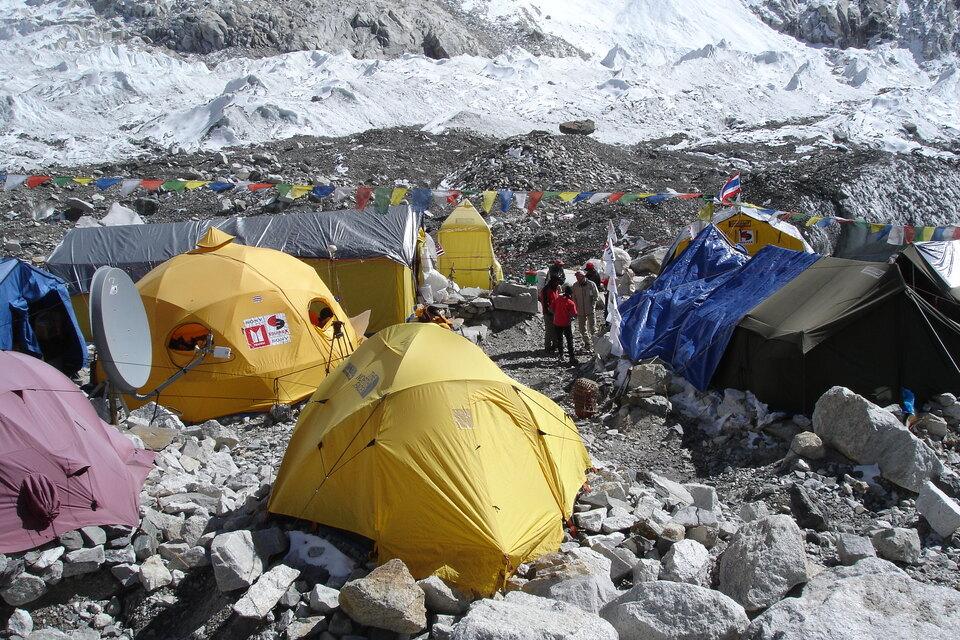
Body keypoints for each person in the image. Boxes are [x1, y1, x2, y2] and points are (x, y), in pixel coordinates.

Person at [571, 271, 599, 351]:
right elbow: (574, 298)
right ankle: (587, 343)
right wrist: (575, 308)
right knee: (582, 328)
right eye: (576, 277)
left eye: (579, 277)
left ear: (583, 276)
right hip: (580, 310)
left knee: (593, 328)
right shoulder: (575, 286)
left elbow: (596, 296)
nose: (577, 278)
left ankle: (596, 345)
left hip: (590, 309)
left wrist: (593, 306)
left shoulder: (591, 284)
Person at [551, 285, 578, 365]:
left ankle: (561, 355)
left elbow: (551, 308)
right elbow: (574, 314)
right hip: (566, 323)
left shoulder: (557, 299)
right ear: (570, 294)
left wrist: (556, 314)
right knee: (569, 340)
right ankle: (571, 357)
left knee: (560, 340)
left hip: (557, 322)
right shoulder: (571, 303)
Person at [539, 278, 560, 352]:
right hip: (548, 313)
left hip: (555, 313)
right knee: (549, 330)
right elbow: (545, 302)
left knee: (555, 330)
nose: (558, 284)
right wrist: (549, 311)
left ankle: (555, 345)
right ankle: (547, 346)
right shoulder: (546, 290)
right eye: (557, 282)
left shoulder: (555, 289)